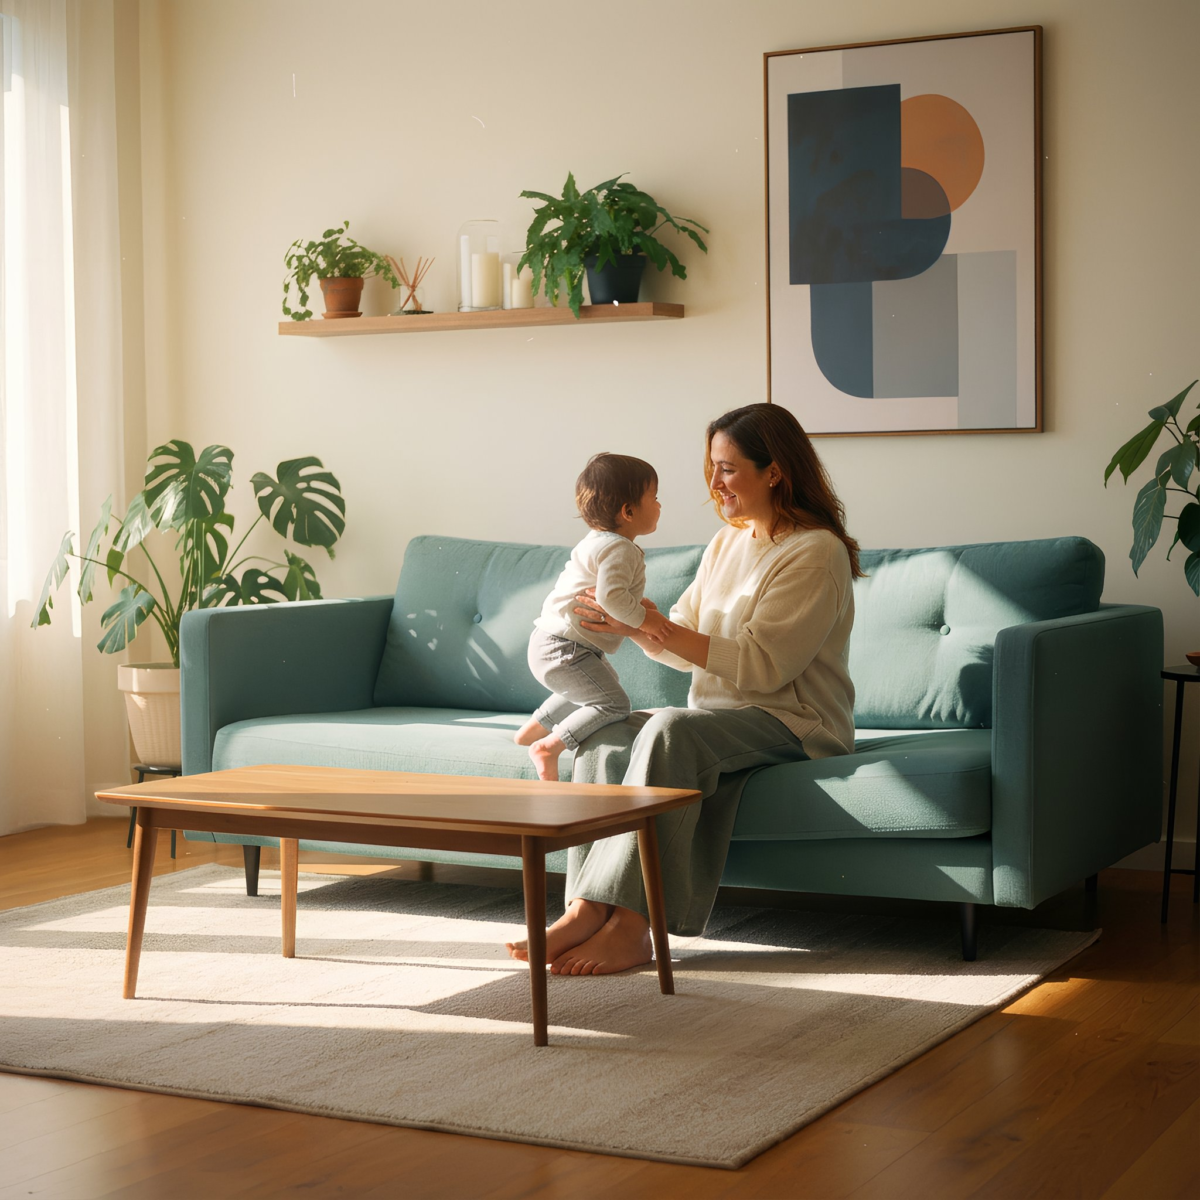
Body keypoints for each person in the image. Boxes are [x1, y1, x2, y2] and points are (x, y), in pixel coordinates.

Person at [507, 403, 863, 974]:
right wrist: (632, 624)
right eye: (712, 466)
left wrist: (653, 626)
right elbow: (676, 634)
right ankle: (583, 907)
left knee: (672, 729)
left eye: (727, 468)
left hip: (795, 723)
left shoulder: (815, 552)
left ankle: (631, 924)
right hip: (719, 720)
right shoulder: (728, 542)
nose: (713, 482)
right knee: (605, 734)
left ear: (773, 472)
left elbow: (766, 666)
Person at [515, 453, 671, 782]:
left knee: (595, 686)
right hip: (565, 648)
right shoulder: (620, 549)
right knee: (614, 704)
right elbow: (610, 597)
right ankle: (549, 746)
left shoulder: (598, 542)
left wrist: (634, 602)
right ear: (628, 512)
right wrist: (647, 620)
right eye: (654, 498)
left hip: (554, 644)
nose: (660, 505)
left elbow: (609, 591)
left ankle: (531, 729)